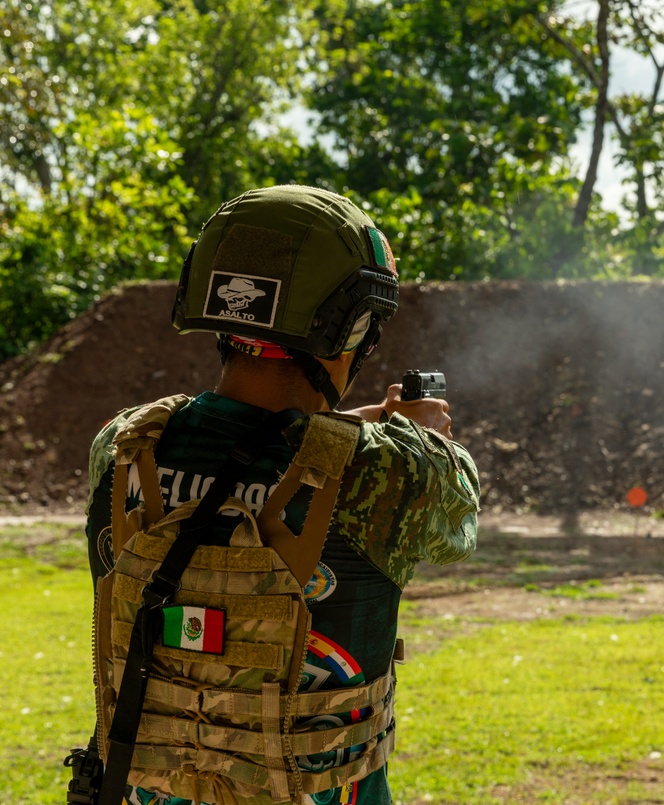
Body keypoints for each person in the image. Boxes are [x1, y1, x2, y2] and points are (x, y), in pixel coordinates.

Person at [84, 185, 480, 805]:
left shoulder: (126, 443)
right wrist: (423, 438)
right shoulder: (394, 471)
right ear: (353, 329)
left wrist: (352, 428)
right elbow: (455, 522)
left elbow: (246, 445)